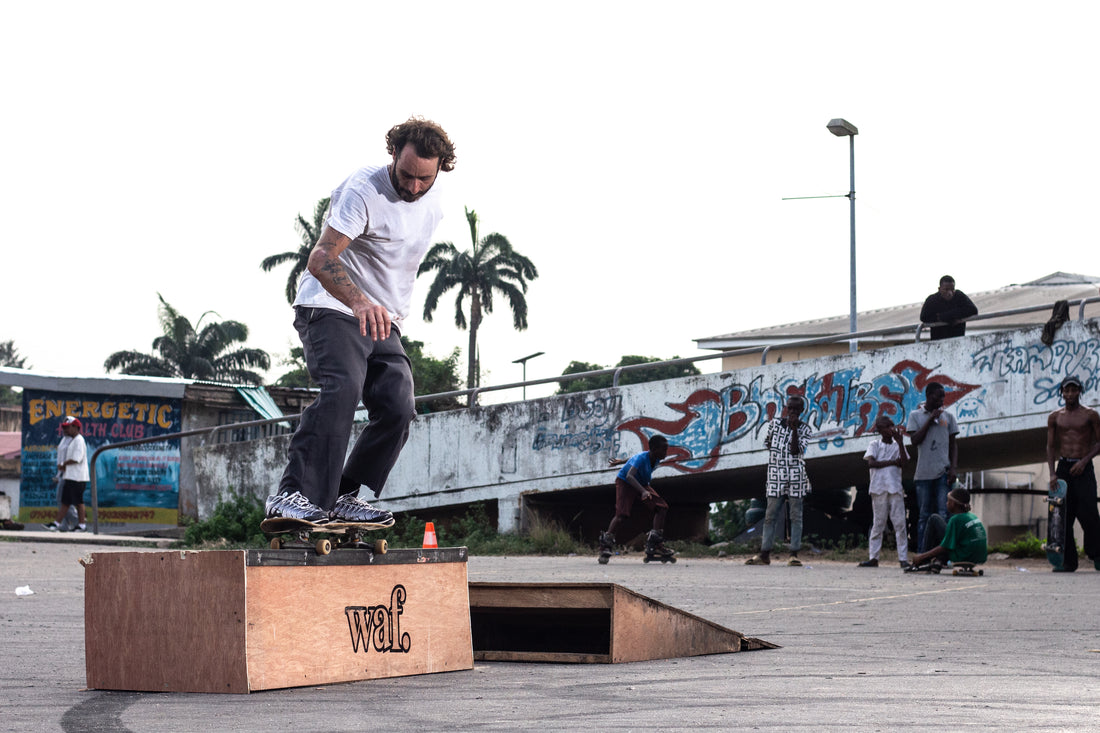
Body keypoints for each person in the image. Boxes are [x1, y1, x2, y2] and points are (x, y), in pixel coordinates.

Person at [265, 118, 457, 527]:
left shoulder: (434, 196)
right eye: (406, 175)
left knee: (398, 405)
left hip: (383, 320)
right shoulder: (363, 190)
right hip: (332, 307)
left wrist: (379, 308)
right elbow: (321, 259)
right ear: (393, 155)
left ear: (440, 168)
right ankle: (291, 495)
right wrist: (359, 300)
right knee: (343, 389)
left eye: (425, 178)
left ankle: (344, 497)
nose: (414, 187)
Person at [747, 395, 813, 566]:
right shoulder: (774, 424)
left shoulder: (805, 429)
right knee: (770, 515)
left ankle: (793, 553)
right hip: (776, 473)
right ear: (786, 408)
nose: (792, 412)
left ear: (801, 411)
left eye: (796, 410)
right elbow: (768, 444)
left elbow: (796, 451)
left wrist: (794, 430)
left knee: (796, 515)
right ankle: (764, 553)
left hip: (796, 474)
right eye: (789, 408)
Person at [1045, 374, 1100, 572]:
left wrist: (1085, 461)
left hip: (1083, 468)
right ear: (1062, 392)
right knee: (1062, 515)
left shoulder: (1090, 414)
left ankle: (1097, 555)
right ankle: (1068, 561)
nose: (1070, 393)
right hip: (1064, 469)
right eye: (1066, 390)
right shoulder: (1055, 416)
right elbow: (1050, 447)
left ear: (1079, 391)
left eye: (1073, 389)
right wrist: (1052, 473)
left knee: (1089, 513)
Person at [598, 436, 673, 561]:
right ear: (654, 449)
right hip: (626, 482)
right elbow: (629, 476)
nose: (666, 453)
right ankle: (605, 545)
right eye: (663, 450)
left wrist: (622, 461)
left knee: (661, 507)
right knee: (622, 514)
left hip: (641, 483)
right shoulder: (642, 458)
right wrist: (643, 491)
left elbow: (633, 458)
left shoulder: (655, 458)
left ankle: (655, 544)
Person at [906, 381, 959, 553]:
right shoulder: (915, 415)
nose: (942, 400)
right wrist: (930, 419)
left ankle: (943, 554)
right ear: (929, 396)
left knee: (944, 514)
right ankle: (923, 553)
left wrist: (953, 468)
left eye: (943, 397)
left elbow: (953, 445)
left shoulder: (949, 417)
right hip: (923, 475)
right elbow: (914, 441)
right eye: (939, 396)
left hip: (943, 473)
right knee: (924, 516)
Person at [859, 415, 911, 569]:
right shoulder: (874, 444)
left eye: (892, 426)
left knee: (900, 524)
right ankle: (873, 557)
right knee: (878, 524)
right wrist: (893, 462)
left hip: (895, 488)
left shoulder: (897, 445)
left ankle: (903, 558)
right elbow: (871, 463)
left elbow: (904, 462)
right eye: (887, 427)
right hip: (879, 488)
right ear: (880, 430)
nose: (891, 429)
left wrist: (901, 443)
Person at [908, 488, 987, 570]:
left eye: (948, 501)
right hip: (979, 556)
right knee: (949, 538)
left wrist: (922, 557)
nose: (946, 503)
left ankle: (922, 561)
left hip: (963, 555)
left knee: (934, 518)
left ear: (953, 504)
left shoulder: (956, 519)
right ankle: (939, 560)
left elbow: (945, 547)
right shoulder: (971, 516)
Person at [43, 416, 89, 532]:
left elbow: (76, 459)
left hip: (77, 477)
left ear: (75, 427)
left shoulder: (79, 440)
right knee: (67, 501)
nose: (65, 430)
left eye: (68, 428)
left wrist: (63, 464)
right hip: (72, 476)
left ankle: (77, 525)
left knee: (76, 502)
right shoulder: (72, 440)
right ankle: (58, 524)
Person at [919, 275, 978, 340]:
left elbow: (973, 310)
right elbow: (924, 317)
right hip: (939, 342)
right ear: (939, 289)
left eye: (952, 289)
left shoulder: (959, 296)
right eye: (946, 289)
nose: (950, 293)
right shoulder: (932, 300)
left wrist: (951, 315)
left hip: (958, 339)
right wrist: (945, 318)